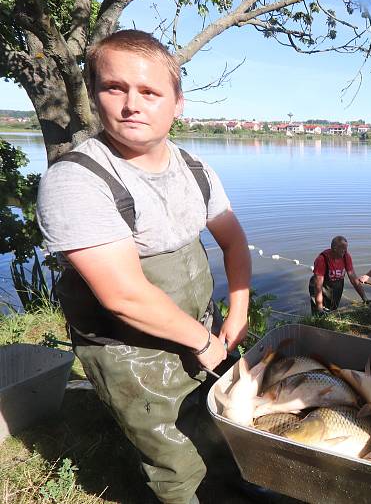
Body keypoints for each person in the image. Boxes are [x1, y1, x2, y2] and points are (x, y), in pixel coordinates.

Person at [36, 30, 251, 504]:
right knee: (174, 459)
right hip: (129, 350)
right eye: (115, 88)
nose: (132, 104)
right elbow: (124, 296)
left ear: (177, 103)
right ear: (95, 96)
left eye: (150, 92)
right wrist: (202, 342)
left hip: (201, 330)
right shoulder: (75, 181)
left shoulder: (195, 168)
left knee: (223, 430)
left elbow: (235, 244)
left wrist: (237, 314)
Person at [308, 235, 367, 313]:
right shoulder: (322, 260)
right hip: (322, 285)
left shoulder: (346, 256)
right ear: (335, 249)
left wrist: (364, 298)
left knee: (333, 310)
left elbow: (353, 279)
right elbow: (318, 286)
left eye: (346, 248)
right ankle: (317, 320)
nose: (345, 251)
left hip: (337, 285)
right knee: (319, 312)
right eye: (343, 249)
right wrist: (319, 307)